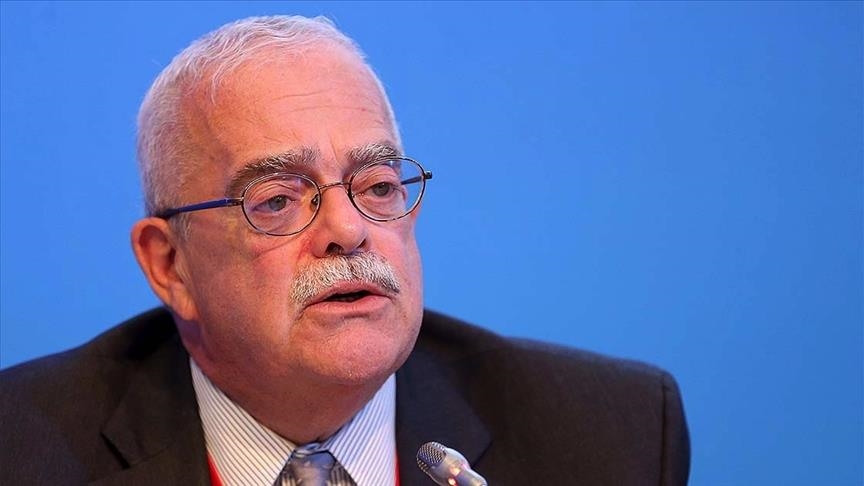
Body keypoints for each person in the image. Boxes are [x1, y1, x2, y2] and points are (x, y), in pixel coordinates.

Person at [0, 15, 690, 486]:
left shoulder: (609, 437)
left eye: (378, 186)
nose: (349, 229)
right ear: (169, 265)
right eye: (277, 199)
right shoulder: (21, 450)